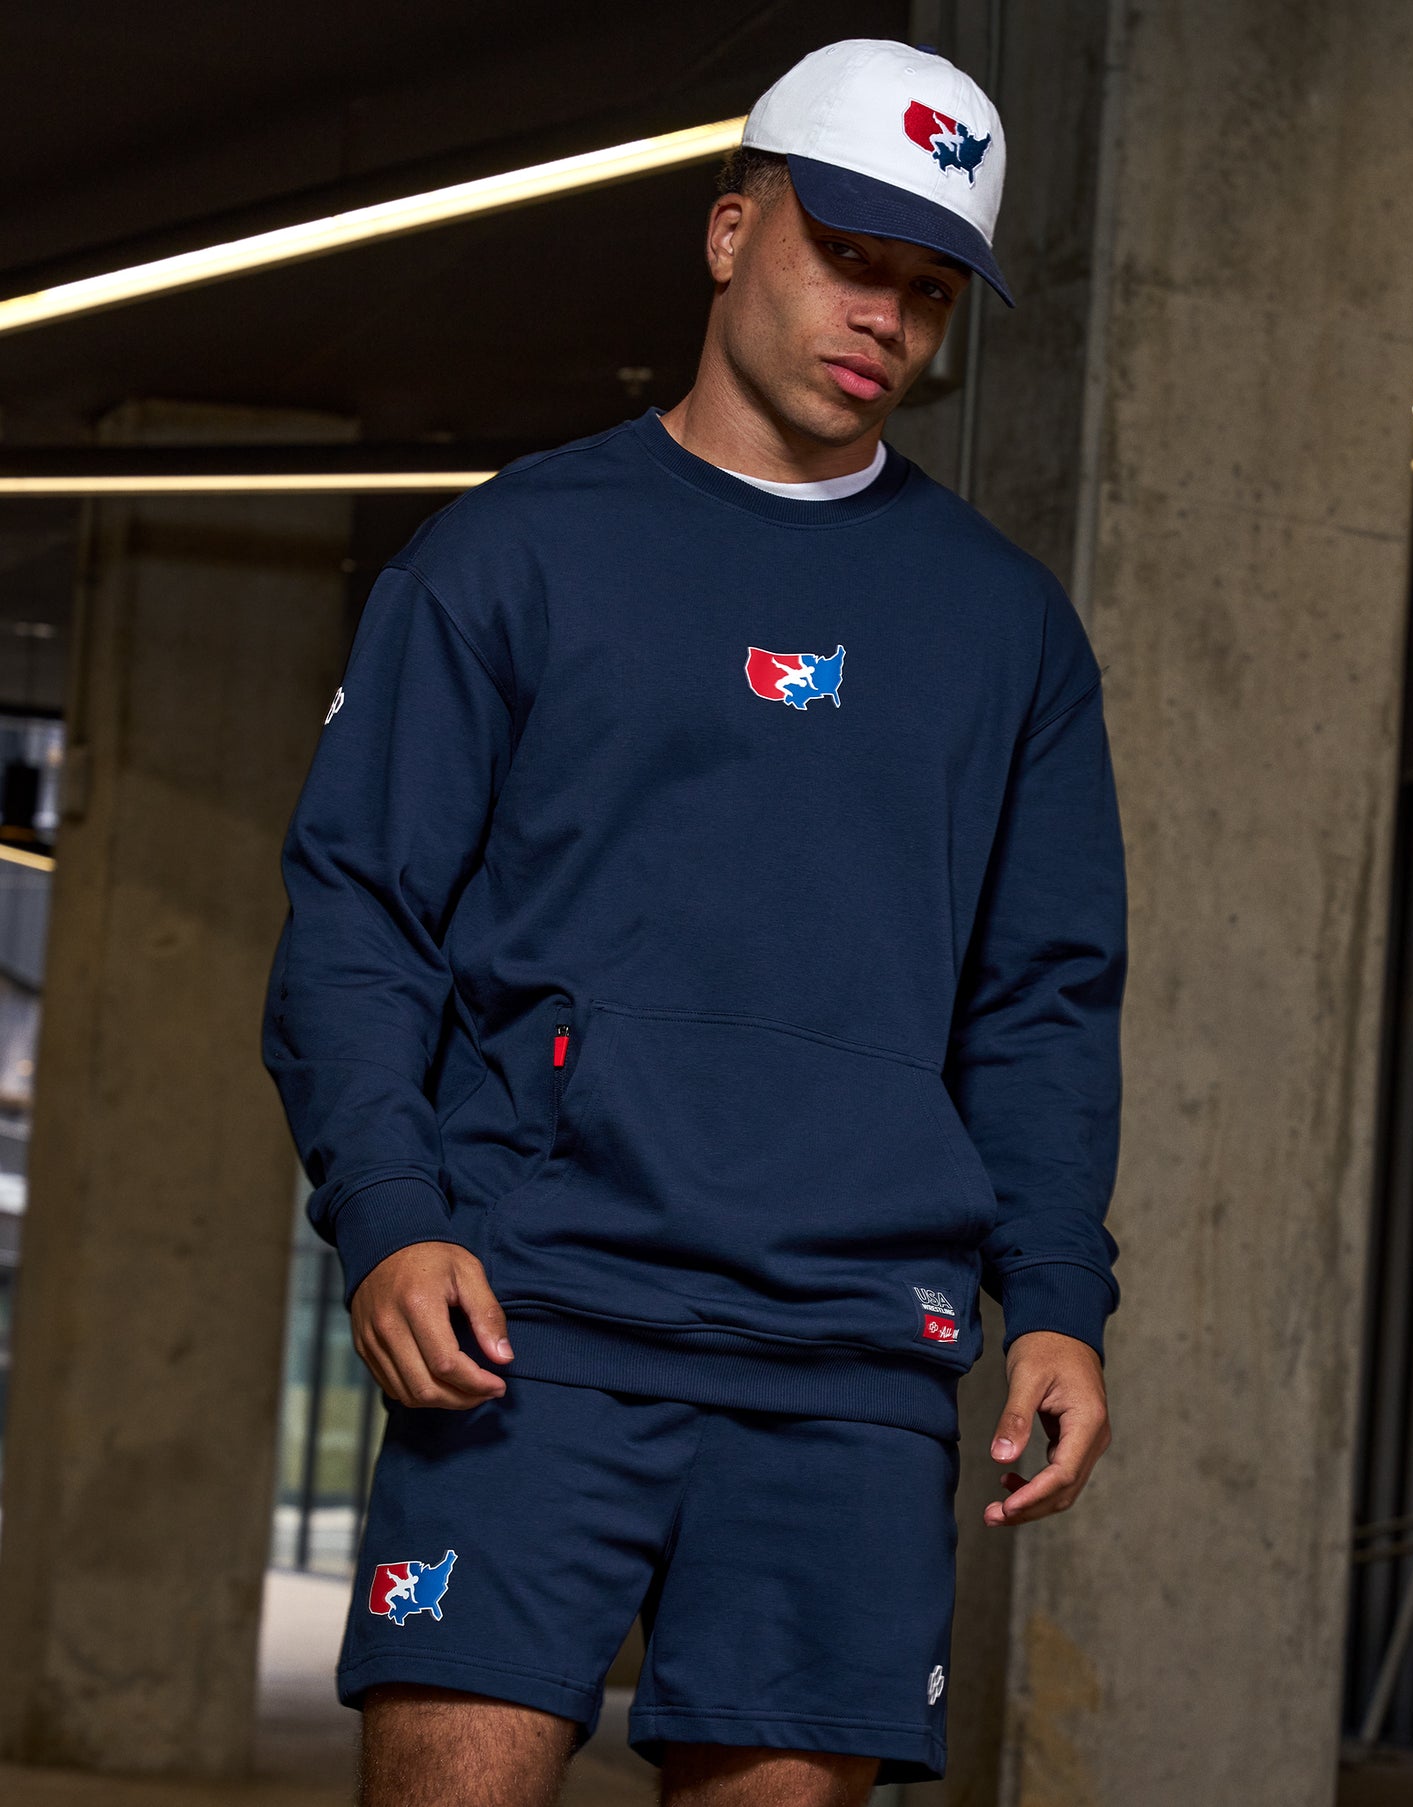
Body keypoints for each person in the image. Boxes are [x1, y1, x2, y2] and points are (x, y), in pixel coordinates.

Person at [262, 35, 1126, 1807]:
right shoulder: (511, 558)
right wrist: (391, 1211)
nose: (883, 314)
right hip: (531, 1324)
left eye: (927, 286)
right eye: (846, 255)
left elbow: (1041, 998)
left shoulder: (1003, 632)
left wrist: (1053, 1299)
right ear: (731, 231)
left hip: (851, 1360)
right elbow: (358, 914)